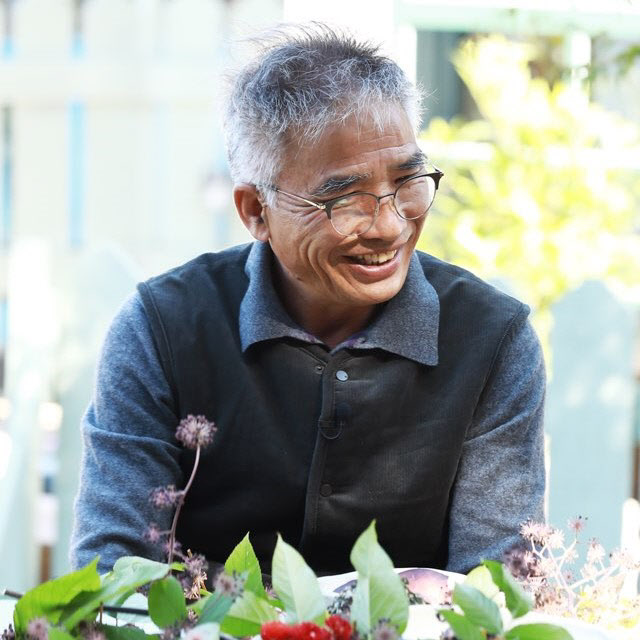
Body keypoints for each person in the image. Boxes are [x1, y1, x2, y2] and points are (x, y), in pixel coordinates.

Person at [70, 24, 545, 577]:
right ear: (255, 211)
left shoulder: (492, 340)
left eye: (408, 181)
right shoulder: (162, 330)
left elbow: (498, 591)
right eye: (345, 199)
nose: (390, 225)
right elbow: (112, 578)